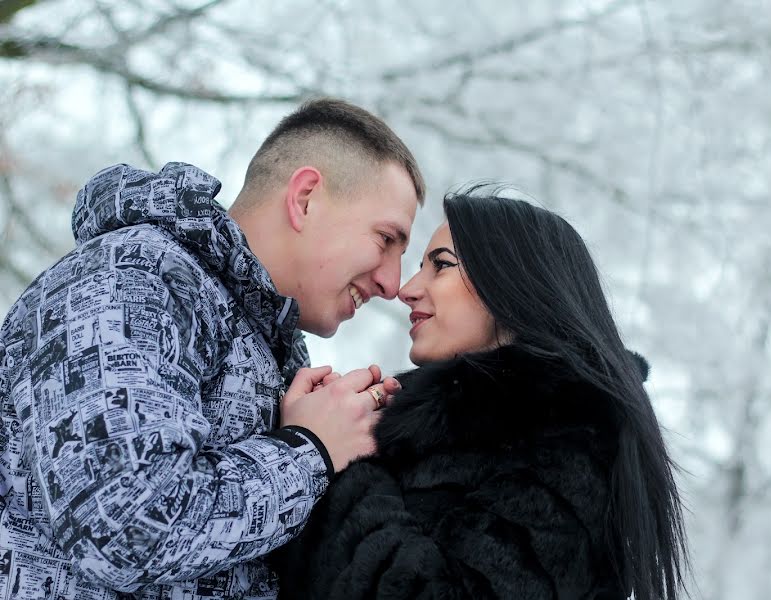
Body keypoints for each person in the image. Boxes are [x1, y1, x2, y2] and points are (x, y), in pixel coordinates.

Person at [0, 98, 425, 599]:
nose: (393, 283)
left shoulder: (266, 343)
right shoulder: (131, 281)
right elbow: (125, 528)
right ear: (306, 198)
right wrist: (307, 448)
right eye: (385, 240)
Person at [274, 190, 689, 600]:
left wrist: (339, 458)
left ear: (513, 282)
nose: (407, 288)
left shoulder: (570, 439)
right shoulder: (440, 430)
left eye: (441, 265)